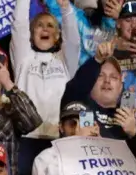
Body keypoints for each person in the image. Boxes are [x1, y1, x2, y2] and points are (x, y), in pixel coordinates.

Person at [11, 0, 82, 131]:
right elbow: (19, 25)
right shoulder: (24, 58)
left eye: (50, 25)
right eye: (39, 25)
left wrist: (66, 9)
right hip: (27, 135)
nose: (45, 28)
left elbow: (73, 41)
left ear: (57, 35)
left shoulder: (65, 61)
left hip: (59, 135)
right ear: (31, 34)